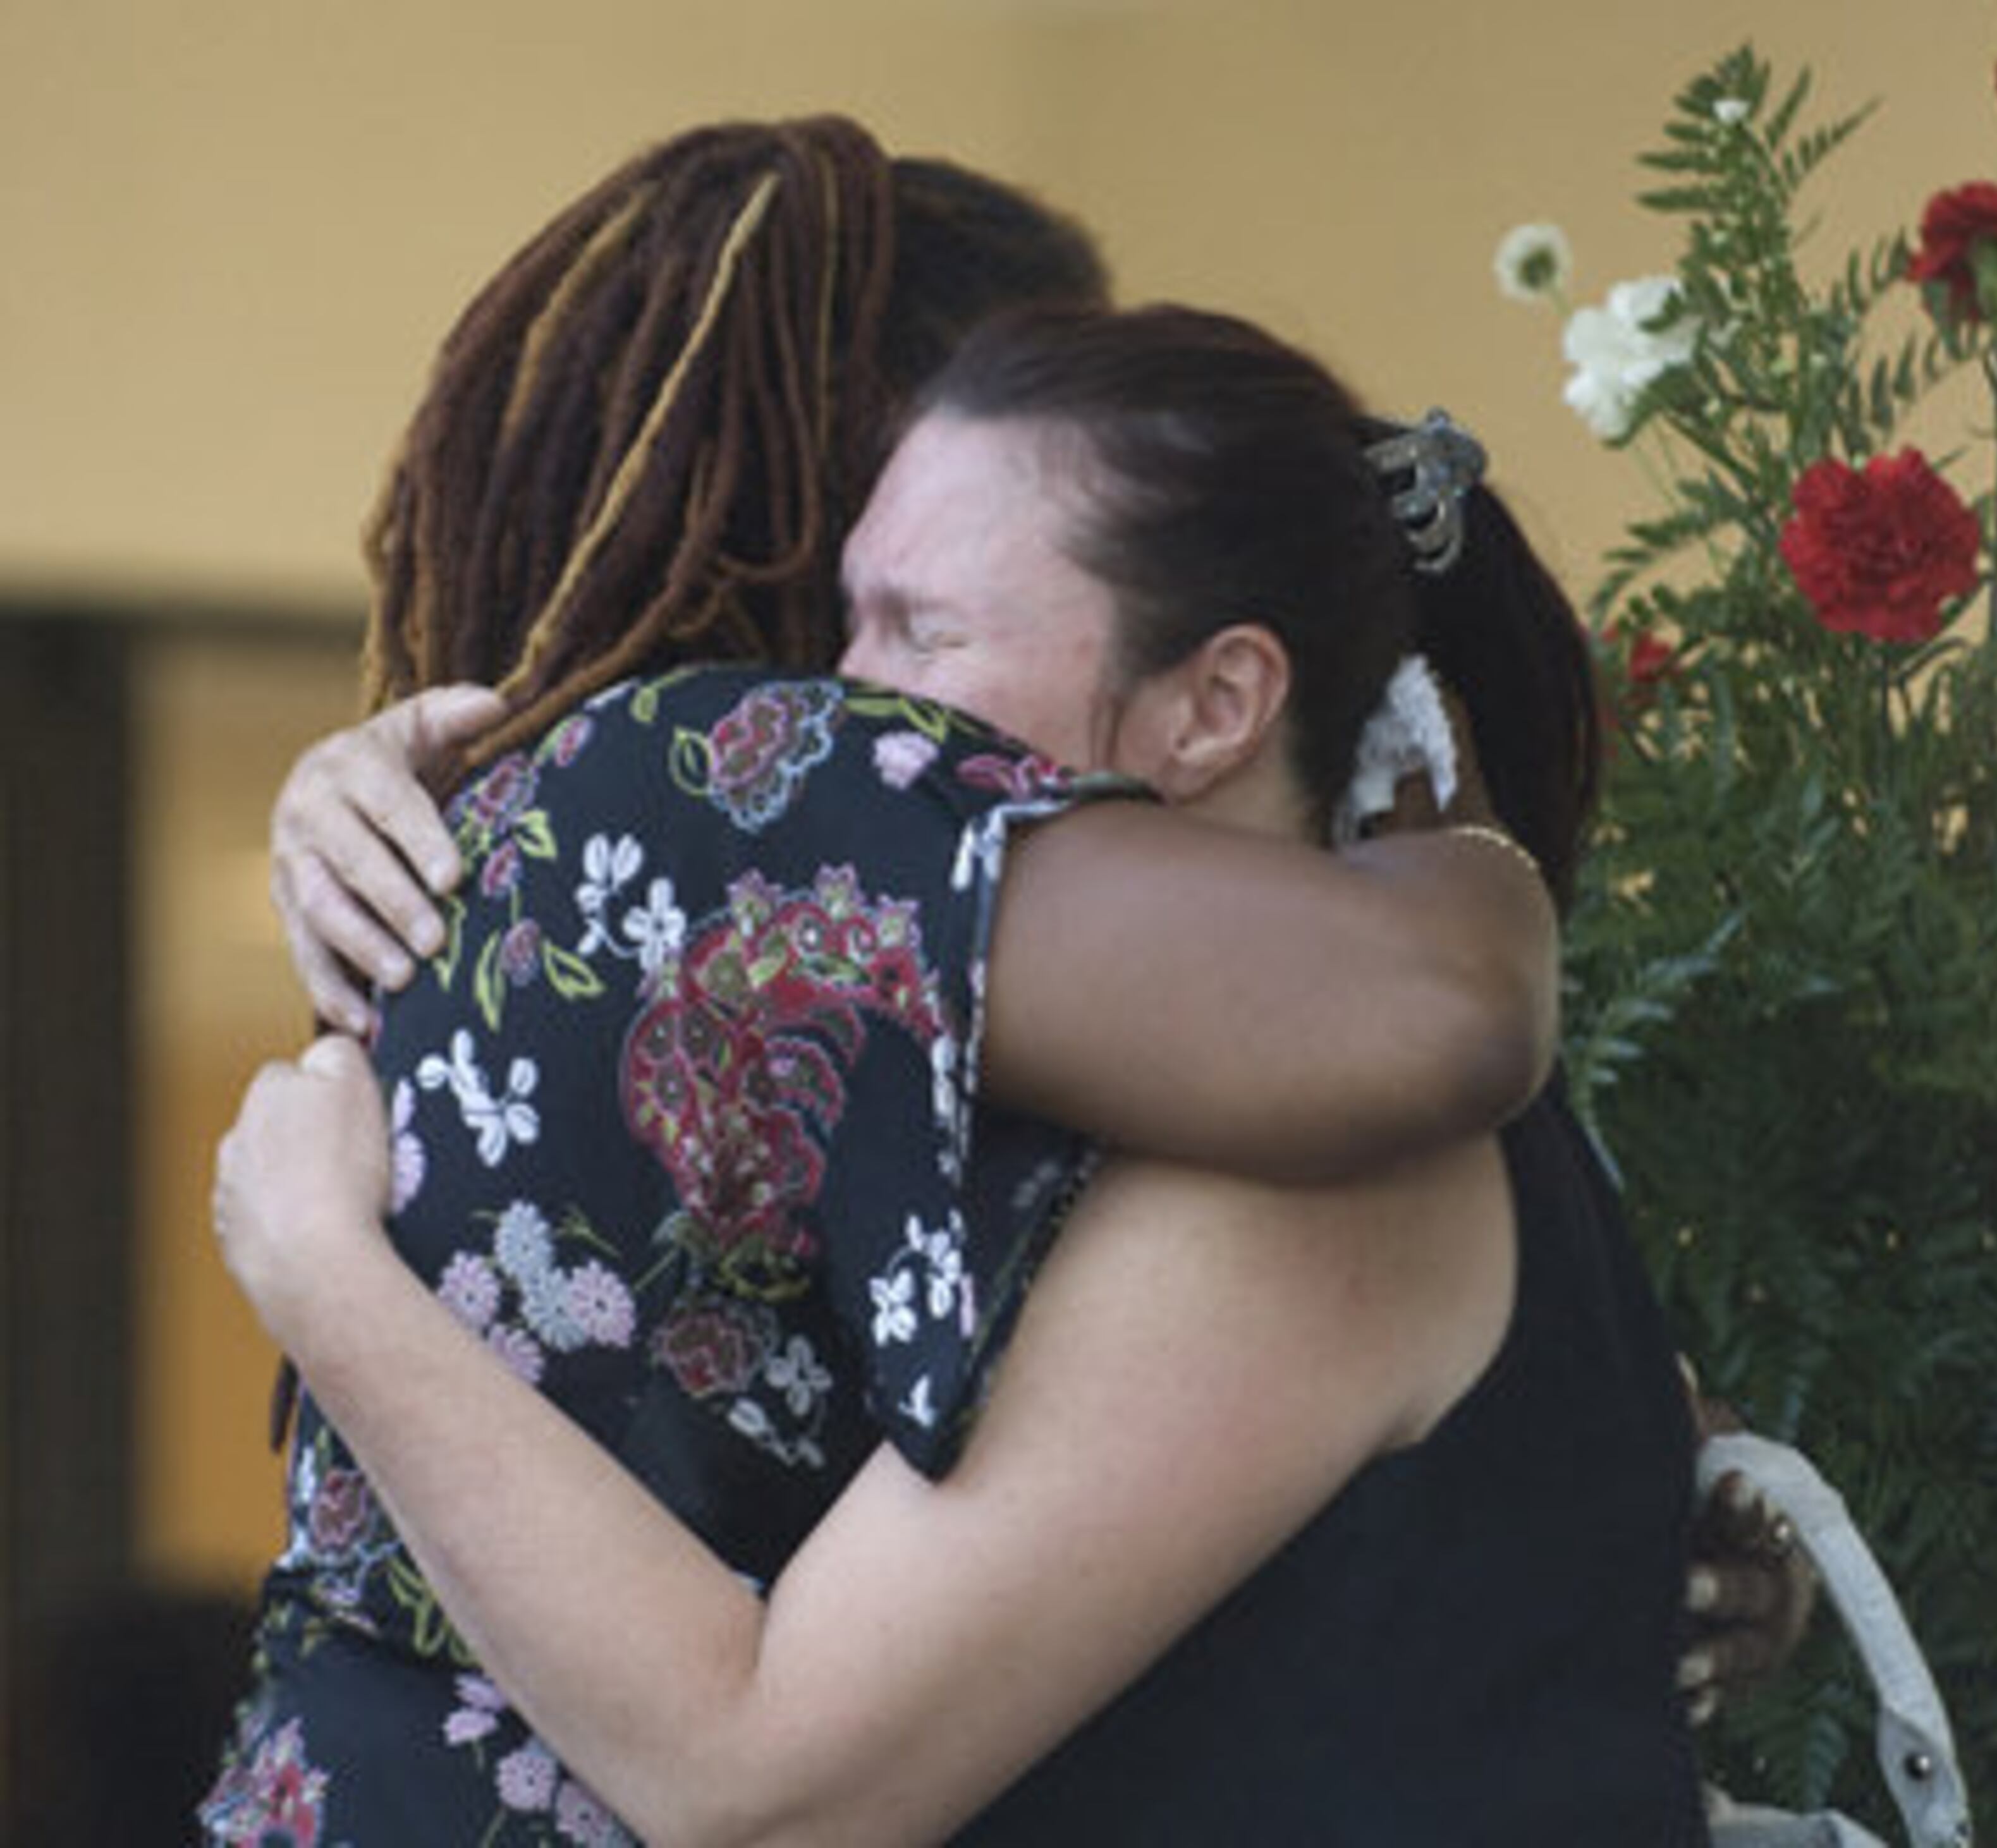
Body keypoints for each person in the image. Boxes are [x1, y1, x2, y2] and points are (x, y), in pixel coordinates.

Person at [213, 296, 1714, 1842]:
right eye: (847, 623)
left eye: (925, 635)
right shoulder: (1109, 1130)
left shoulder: (1313, 1184)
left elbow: (768, 1792)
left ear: (1216, 705)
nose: (841, 702)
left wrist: (321, 1266)